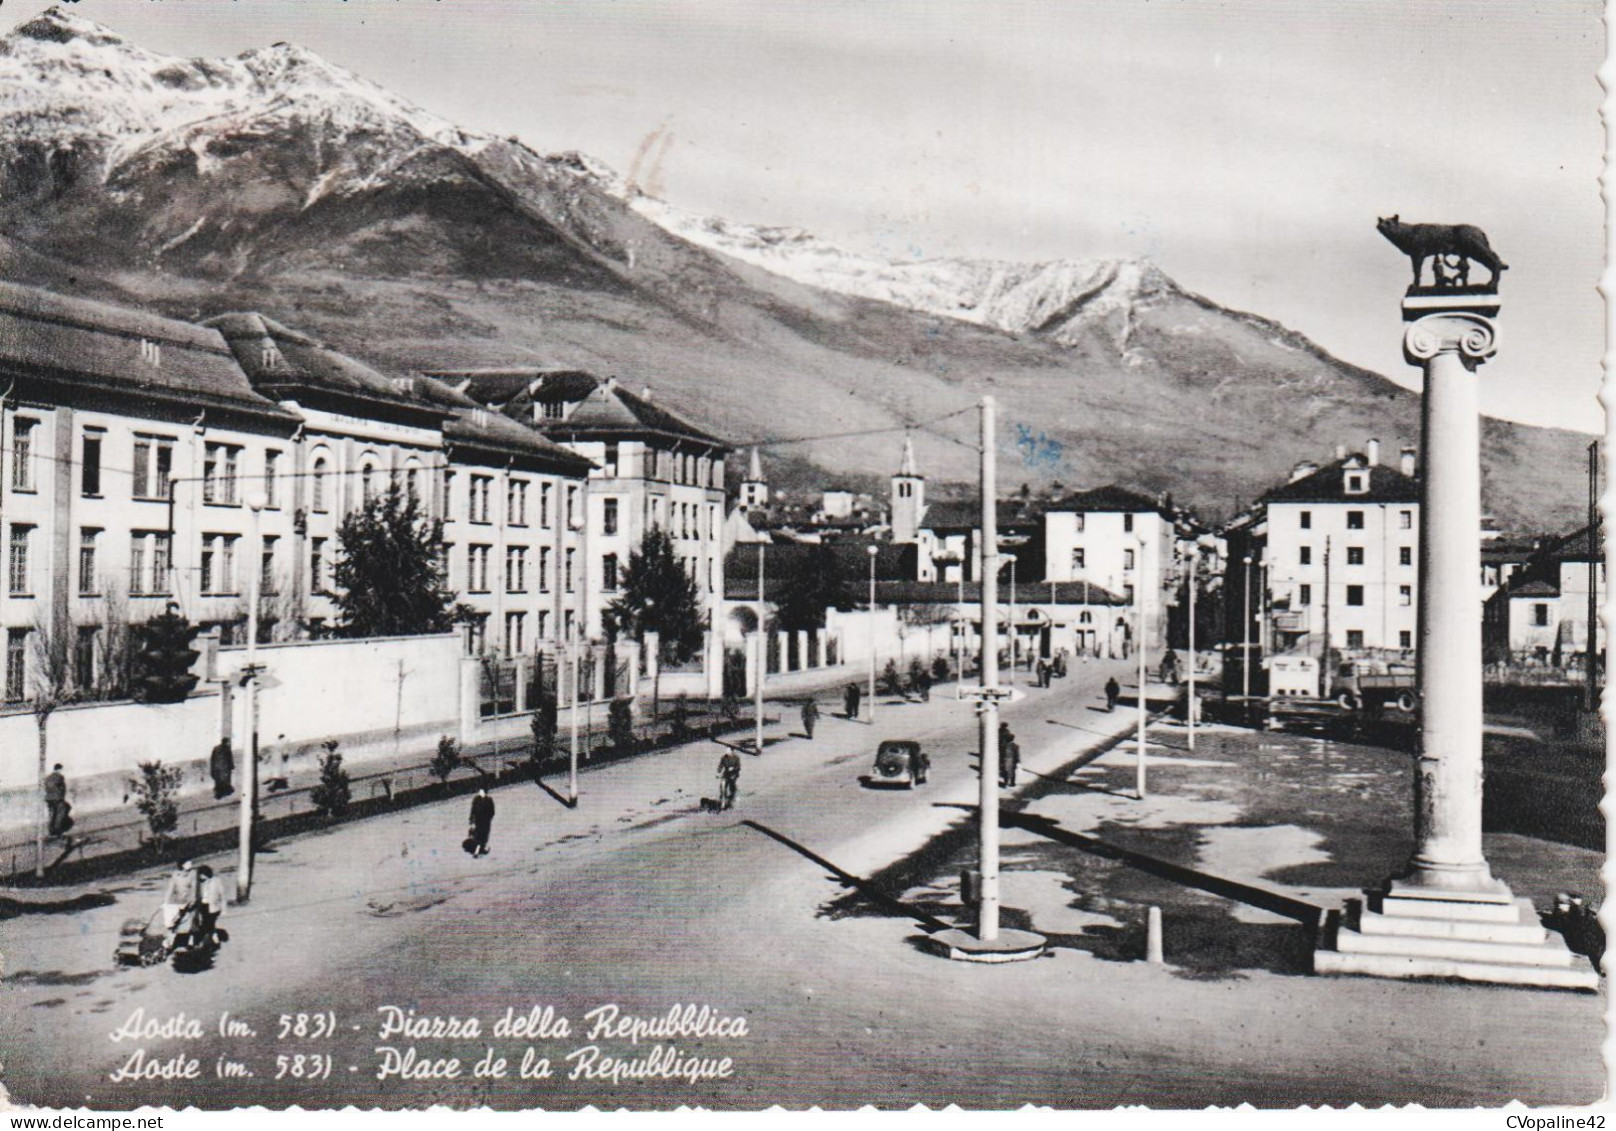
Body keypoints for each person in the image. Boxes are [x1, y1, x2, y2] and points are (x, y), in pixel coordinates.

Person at [161, 860, 200, 935]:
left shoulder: (193, 873)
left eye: (191, 863)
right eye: (188, 863)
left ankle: (190, 939)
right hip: (178, 899)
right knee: (174, 919)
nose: (190, 864)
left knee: (189, 919)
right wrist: (165, 901)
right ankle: (172, 936)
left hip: (188, 900)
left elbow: (194, 888)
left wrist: (193, 900)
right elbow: (171, 888)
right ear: (182, 865)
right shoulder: (175, 874)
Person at [195, 865, 227, 943]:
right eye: (200, 875)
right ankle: (213, 938)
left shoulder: (216, 881)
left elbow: (223, 896)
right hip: (203, 906)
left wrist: (224, 909)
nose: (201, 877)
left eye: (202, 875)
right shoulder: (200, 883)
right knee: (207, 924)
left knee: (209, 923)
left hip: (213, 907)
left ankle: (212, 939)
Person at [43, 763, 69, 838]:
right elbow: (62, 788)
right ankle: (57, 831)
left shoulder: (47, 777)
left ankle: (50, 830)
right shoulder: (60, 777)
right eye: (61, 769)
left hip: (48, 799)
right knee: (60, 814)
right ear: (59, 769)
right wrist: (61, 797)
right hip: (57, 798)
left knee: (51, 814)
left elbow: (47, 787)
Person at [468, 788, 495, 857]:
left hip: (486, 821)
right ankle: (477, 851)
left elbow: (492, 811)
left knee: (484, 837)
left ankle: (481, 849)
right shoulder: (476, 800)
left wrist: (488, 818)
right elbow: (473, 810)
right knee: (479, 837)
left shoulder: (489, 800)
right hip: (479, 821)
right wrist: (471, 820)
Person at [997, 723, 1019, 788]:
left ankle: (1005, 783)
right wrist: (1018, 761)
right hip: (1012, 761)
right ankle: (1012, 783)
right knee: (1012, 772)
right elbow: (1017, 754)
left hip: (1005, 760)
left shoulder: (1004, 746)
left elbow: (1002, 754)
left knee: (1005, 772)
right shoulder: (1015, 746)